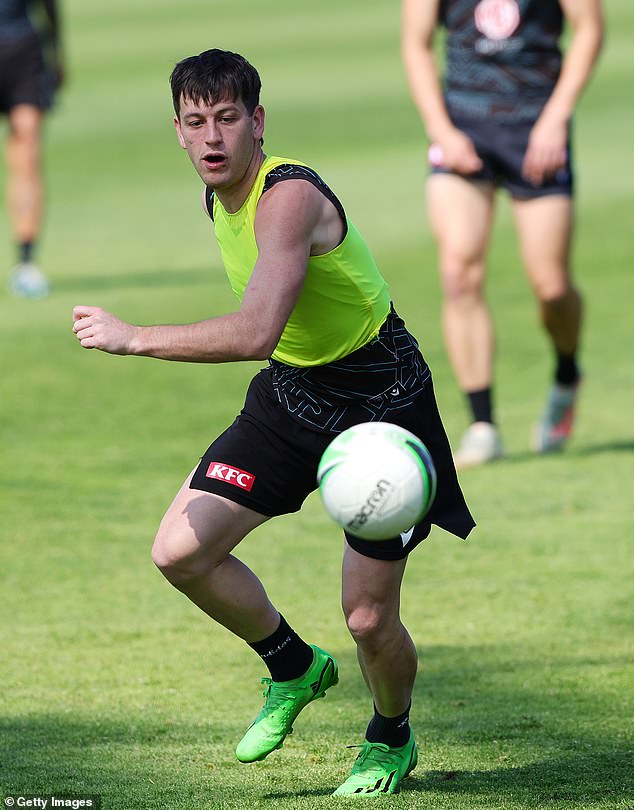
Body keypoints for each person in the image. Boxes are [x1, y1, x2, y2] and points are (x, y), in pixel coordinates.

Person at [72, 49, 475, 797]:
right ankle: (293, 665)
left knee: (366, 619)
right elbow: (278, 348)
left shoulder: (285, 196)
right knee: (179, 552)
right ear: (179, 132)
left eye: (228, 118)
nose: (212, 137)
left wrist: (136, 337)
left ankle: (390, 734)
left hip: (381, 409)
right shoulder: (213, 191)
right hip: (294, 394)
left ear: (258, 121)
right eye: (196, 123)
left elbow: (256, 330)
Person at [402, 0, 604, 468]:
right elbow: (416, 43)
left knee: (551, 286)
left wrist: (557, 118)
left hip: (538, 128)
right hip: (463, 128)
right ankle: (483, 424)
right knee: (459, 273)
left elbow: (588, 28)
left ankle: (567, 374)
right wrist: (440, 128)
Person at [1, 0, 64, 299]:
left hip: (21, 46)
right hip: (22, 46)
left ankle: (26, 263)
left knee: (27, 149)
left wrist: (56, 49)